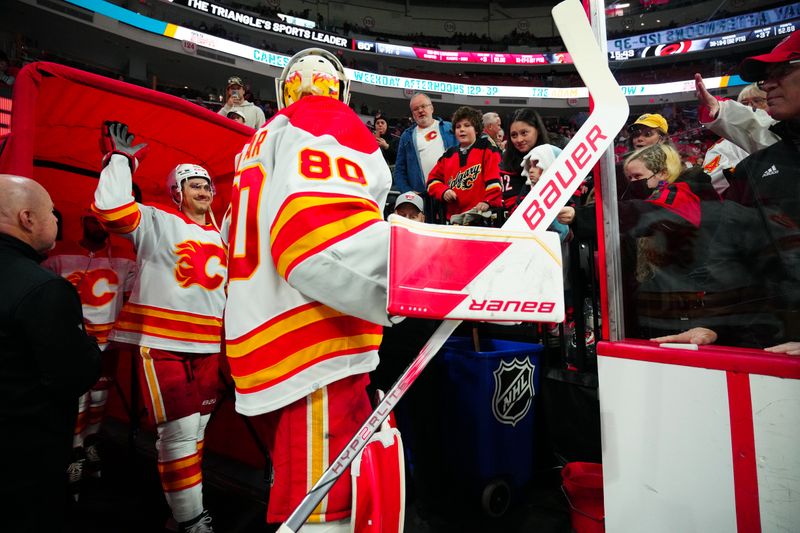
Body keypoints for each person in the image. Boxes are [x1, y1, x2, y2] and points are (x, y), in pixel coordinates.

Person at [224, 47, 395, 532]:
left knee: (302, 492)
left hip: (266, 340)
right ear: (338, 89)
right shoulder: (324, 118)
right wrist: (431, 270)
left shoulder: (260, 139)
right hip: (318, 345)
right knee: (324, 515)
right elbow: (318, 242)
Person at [92, 123, 226, 532]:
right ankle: (192, 521)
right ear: (178, 193)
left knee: (197, 431)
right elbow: (112, 209)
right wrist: (120, 160)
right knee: (181, 434)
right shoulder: (155, 221)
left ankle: (181, 513)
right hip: (164, 342)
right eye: (194, 185)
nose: (203, 191)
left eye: (206, 185)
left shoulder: (224, 238)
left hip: (208, 346)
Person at [660, 30, 800, 355]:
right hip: (771, 344)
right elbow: (731, 254)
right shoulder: (759, 166)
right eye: (767, 78)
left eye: (781, 72)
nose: (768, 85)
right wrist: (710, 323)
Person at [0, 174, 101, 531]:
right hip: (24, 457)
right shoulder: (44, 287)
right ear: (28, 218)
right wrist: (90, 346)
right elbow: (74, 372)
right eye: (52, 213)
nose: (57, 220)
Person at [43, 213, 136, 498]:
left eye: (103, 222)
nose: (100, 227)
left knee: (99, 399)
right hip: (72, 343)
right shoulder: (59, 255)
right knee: (76, 402)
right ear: (83, 220)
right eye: (94, 221)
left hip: (107, 344)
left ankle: (90, 446)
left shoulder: (124, 260)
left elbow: (132, 297)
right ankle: (73, 455)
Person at [426, 105, 503, 223]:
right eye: (458, 126)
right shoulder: (448, 155)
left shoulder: (487, 148)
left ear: (476, 129)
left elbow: (494, 180)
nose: (461, 129)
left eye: (467, 125)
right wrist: (443, 191)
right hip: (453, 220)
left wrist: (488, 201)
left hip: (480, 218)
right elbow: (431, 181)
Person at [701, 84, 770, 195]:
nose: (751, 106)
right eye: (744, 103)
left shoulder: (787, 131)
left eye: (758, 100)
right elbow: (710, 181)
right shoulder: (725, 145)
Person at [393, 92, 457, 194]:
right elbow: (399, 171)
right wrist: (408, 192)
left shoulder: (451, 128)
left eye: (423, 106)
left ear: (431, 108)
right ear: (413, 114)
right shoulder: (407, 136)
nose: (420, 111)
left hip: (452, 191)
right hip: (423, 197)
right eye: (416, 109)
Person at [499, 108, 551, 213]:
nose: (519, 140)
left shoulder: (554, 155)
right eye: (514, 135)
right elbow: (510, 204)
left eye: (524, 133)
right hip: (517, 223)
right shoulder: (506, 163)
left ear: (538, 130)